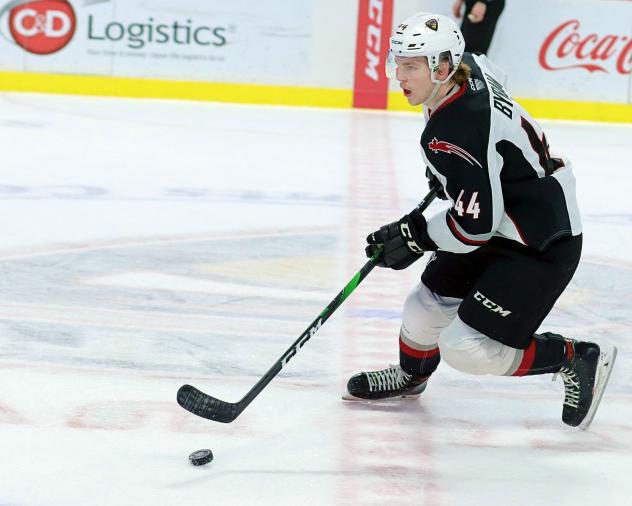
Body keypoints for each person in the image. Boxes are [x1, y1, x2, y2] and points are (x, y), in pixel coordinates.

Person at [344, 12, 617, 429]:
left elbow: (474, 228)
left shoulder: (458, 130)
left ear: (443, 67)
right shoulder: (467, 68)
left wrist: (415, 236)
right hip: (507, 213)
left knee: (465, 347)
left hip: (540, 242)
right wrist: (466, 174)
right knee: (423, 309)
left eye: (411, 65)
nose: (400, 75)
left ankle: (576, 358)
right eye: (398, 62)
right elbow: (494, 77)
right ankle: (412, 376)